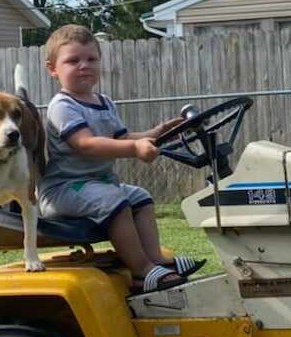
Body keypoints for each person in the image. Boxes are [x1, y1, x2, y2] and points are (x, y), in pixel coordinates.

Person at [40, 24, 204, 293]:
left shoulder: (104, 101)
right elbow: (86, 144)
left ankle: (155, 259)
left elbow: (122, 137)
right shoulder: (62, 106)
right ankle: (141, 271)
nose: (84, 65)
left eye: (91, 59)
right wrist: (135, 149)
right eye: (73, 60)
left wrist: (157, 133)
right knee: (115, 201)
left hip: (97, 183)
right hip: (64, 189)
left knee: (139, 197)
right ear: (52, 69)